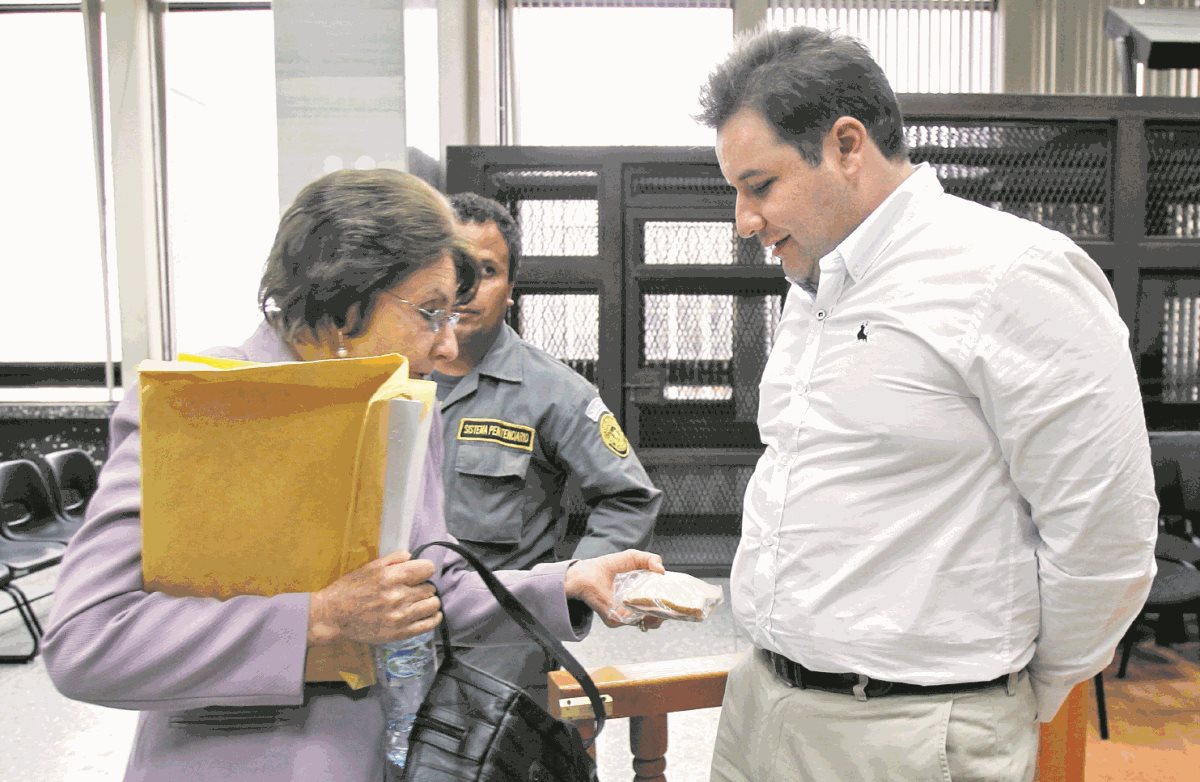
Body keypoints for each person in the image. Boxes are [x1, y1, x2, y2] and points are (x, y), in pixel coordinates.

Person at [42, 169, 663, 782]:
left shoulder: (399, 406)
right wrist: (320, 618)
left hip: (403, 753)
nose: (447, 349)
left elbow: (421, 588)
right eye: (431, 313)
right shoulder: (198, 409)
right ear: (344, 302)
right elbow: (88, 641)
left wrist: (565, 584)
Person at [697, 26, 1158, 781]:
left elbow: (1106, 534)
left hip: (912, 732)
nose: (744, 222)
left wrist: (1001, 698)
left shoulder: (1008, 275)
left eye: (760, 185)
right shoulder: (815, 287)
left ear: (847, 145)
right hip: (764, 705)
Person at [430, 192, 661, 703]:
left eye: (485, 271)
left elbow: (629, 496)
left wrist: (576, 582)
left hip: (503, 658)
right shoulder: (389, 377)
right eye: (452, 268)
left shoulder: (554, 391)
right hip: (393, 647)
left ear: (511, 289)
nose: (464, 289)